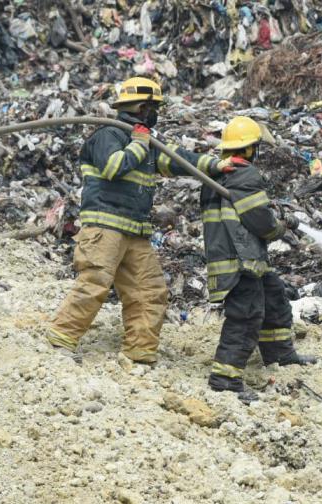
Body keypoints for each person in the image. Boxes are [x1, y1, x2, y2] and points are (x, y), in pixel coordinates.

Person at [47, 77, 237, 364]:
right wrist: (138, 142)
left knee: (149, 291)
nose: (153, 112)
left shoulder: (146, 142)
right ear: (137, 106)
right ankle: (59, 342)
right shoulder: (109, 134)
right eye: (150, 106)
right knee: (94, 284)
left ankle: (140, 352)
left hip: (135, 231)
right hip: (105, 227)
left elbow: (177, 160)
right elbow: (113, 167)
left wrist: (216, 165)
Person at [202, 116, 316, 404]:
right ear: (250, 148)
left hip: (240, 256)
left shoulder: (218, 174)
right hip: (239, 260)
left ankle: (279, 354)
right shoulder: (246, 175)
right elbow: (261, 222)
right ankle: (225, 378)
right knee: (246, 315)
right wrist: (281, 226)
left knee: (274, 295)